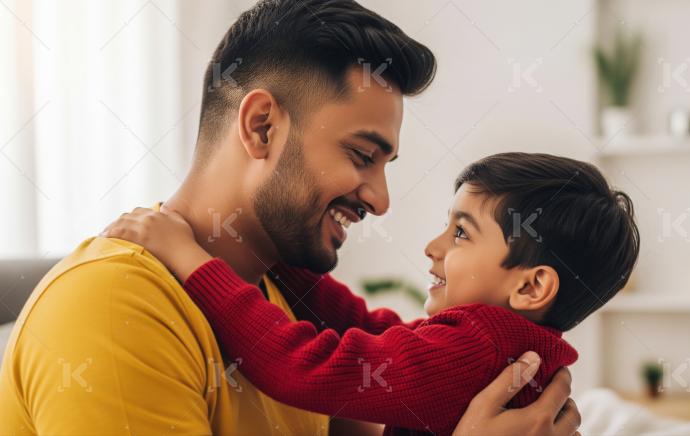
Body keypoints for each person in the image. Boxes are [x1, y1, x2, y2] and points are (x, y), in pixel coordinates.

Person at [0, 1, 582, 434]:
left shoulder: (279, 299)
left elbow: (383, 350)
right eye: (362, 155)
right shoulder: (114, 306)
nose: (382, 200)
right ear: (262, 127)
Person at [101, 153, 639, 435]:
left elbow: (299, 364)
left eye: (460, 233)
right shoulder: (511, 347)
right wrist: (273, 254)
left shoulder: (477, 347)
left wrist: (189, 258)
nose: (433, 247)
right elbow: (374, 332)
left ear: (531, 285)